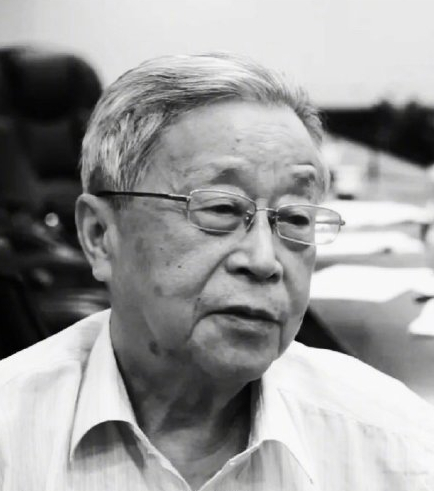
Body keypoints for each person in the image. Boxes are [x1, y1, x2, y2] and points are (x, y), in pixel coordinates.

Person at [0, 53, 433, 491]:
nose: (264, 261)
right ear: (99, 235)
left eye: (295, 218)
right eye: (222, 209)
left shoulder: (400, 447)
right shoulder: (13, 436)